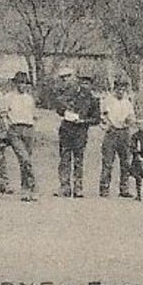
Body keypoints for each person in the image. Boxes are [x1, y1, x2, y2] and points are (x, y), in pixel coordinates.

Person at [51, 67, 99, 197]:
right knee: (65, 159)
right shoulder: (71, 94)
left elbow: (96, 119)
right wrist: (65, 112)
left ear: (91, 85)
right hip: (66, 130)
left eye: (87, 83)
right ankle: (64, 186)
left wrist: (83, 121)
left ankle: (78, 187)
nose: (84, 85)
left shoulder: (93, 100)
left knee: (78, 160)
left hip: (80, 133)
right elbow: (59, 107)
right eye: (82, 82)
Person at [98, 77, 137, 198]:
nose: (121, 92)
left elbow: (131, 117)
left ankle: (124, 189)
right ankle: (104, 188)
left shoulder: (127, 102)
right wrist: (107, 124)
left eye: (123, 89)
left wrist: (130, 121)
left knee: (125, 162)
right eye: (118, 89)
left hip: (124, 133)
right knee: (108, 162)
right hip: (112, 133)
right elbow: (102, 116)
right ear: (114, 89)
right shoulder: (108, 101)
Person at [2, 71, 38, 201]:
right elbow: (4, 115)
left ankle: (26, 189)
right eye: (19, 83)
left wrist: (33, 128)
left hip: (28, 129)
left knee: (26, 160)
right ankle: (33, 186)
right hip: (15, 130)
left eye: (24, 83)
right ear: (14, 83)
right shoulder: (8, 97)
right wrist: (8, 128)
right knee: (25, 159)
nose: (22, 85)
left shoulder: (29, 98)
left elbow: (34, 116)